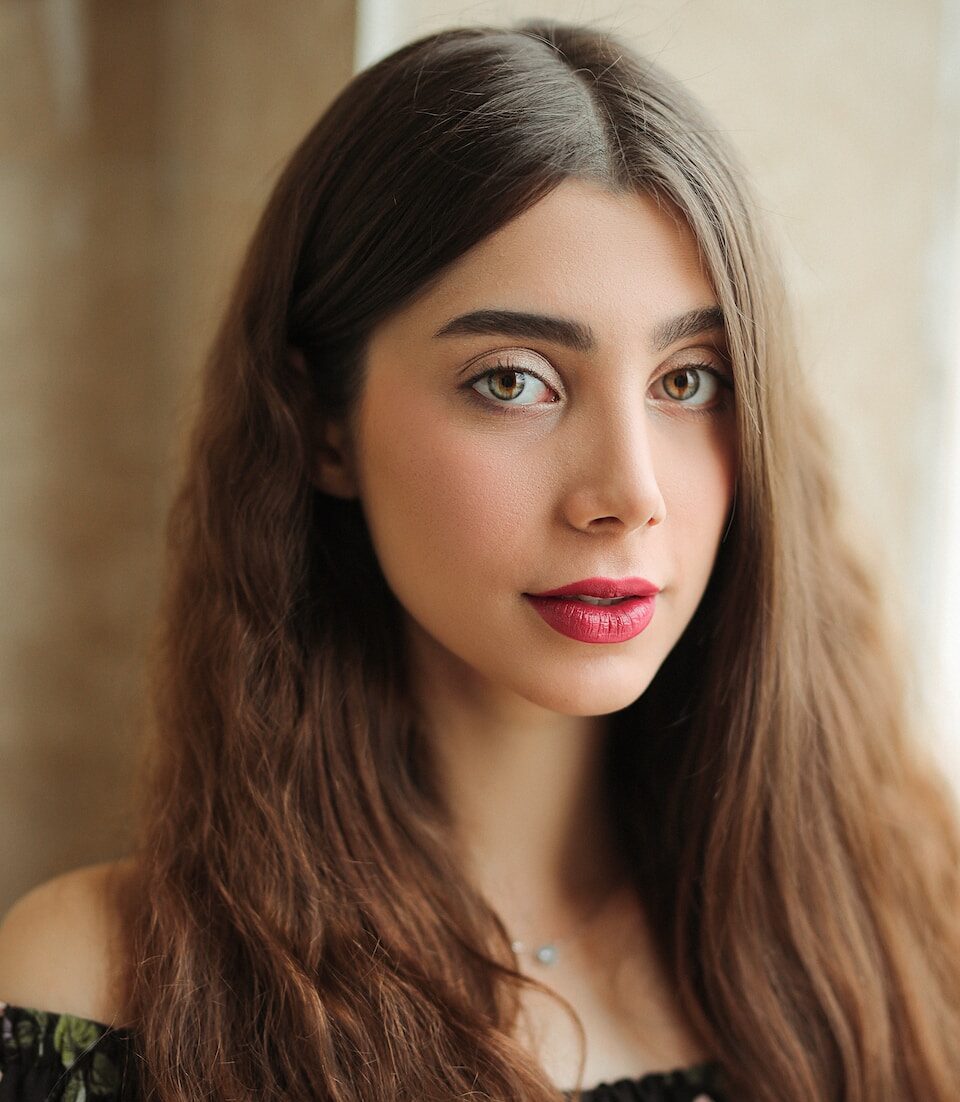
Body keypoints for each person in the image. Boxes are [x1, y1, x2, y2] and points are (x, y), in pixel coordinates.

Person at [1, 16, 958, 1102]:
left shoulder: (906, 943)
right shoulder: (107, 989)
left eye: (689, 380)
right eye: (514, 380)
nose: (629, 495)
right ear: (323, 424)